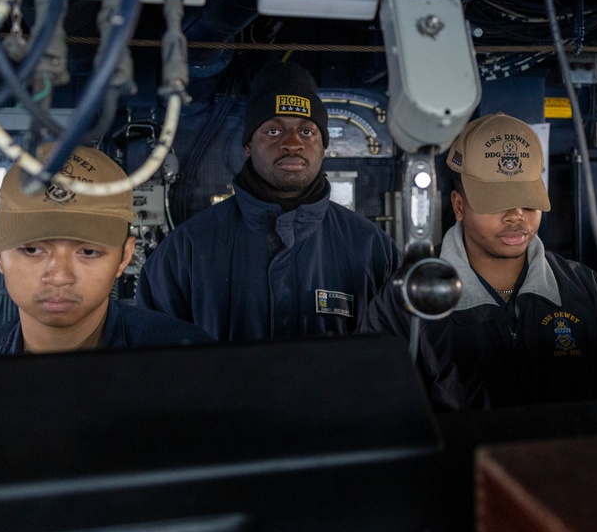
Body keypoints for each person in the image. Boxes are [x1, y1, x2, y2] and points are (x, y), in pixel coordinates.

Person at [359, 113, 597, 410]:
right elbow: (379, 408)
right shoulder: (408, 297)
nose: (516, 216)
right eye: (497, 203)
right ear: (459, 205)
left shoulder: (583, 288)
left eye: (528, 202)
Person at [136, 61, 401, 340]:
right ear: (248, 145)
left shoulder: (372, 249)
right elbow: (157, 358)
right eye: (274, 131)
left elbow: (401, 355)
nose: (292, 144)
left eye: (307, 132)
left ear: (324, 145)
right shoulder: (184, 250)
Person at [0, 146, 213, 357]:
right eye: (32, 249)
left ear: (124, 256)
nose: (59, 277)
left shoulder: (189, 365)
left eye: (88, 251)